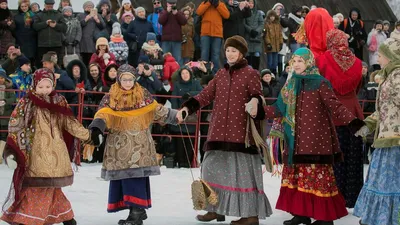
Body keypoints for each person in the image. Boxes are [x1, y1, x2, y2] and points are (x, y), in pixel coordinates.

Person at [263, 47, 365, 225]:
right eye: (294, 61)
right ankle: (301, 213)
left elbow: (336, 106)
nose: (296, 64)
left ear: (309, 62)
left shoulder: (320, 83)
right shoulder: (290, 84)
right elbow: (278, 109)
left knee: (316, 179)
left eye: (300, 61)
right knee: (297, 178)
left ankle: (324, 218)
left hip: (316, 142)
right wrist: (258, 111)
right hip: (294, 141)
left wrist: (354, 122)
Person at [178, 35, 272, 225]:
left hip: (241, 135)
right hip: (218, 132)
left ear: (242, 53)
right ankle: (215, 209)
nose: (230, 54)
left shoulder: (250, 73)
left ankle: (250, 216)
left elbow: (257, 95)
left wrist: (254, 102)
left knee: (243, 175)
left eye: (234, 51)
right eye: (228, 50)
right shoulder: (220, 74)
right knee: (211, 169)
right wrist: (188, 108)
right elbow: (205, 95)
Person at [1, 68, 95, 225]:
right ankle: (60, 217)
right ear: (34, 85)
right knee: (38, 187)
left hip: (56, 154)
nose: (44, 90)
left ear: (53, 85)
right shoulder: (26, 103)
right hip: (35, 155)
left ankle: (38, 218)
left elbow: (70, 123)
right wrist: (12, 151)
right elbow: (15, 125)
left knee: (50, 188)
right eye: (41, 87)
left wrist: (88, 136)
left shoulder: (59, 102)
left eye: (48, 86)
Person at [88, 64, 179, 225]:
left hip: (139, 145)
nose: (128, 83)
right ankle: (134, 211)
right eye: (125, 79)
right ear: (119, 79)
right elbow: (103, 114)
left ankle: (137, 211)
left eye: (131, 79)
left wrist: (175, 116)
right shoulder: (110, 97)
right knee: (124, 179)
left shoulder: (142, 94)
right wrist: (96, 129)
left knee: (135, 178)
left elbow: (156, 109)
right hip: (119, 144)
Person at [353, 36, 400, 225]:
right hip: (384, 138)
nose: (378, 59)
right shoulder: (389, 76)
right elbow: (382, 110)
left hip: (395, 141)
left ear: (392, 56)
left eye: (381, 55)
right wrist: (365, 126)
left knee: (389, 182)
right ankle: (377, 217)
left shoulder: (397, 77)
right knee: (380, 180)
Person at [316, 29, 365, 209]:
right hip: (354, 113)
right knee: (354, 158)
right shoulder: (358, 62)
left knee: (334, 158)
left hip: (331, 114)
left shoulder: (322, 60)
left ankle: (333, 198)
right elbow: (358, 88)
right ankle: (352, 197)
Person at [170, 66, 202, 168]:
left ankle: (189, 162)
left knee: (191, 141)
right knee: (180, 141)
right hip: (180, 114)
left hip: (191, 115)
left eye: (186, 73)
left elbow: (202, 93)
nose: (185, 75)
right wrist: (177, 112)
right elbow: (173, 99)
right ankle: (181, 162)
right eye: (183, 73)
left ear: (190, 74)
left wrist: (189, 94)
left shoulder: (196, 83)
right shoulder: (177, 84)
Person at [196, 0, 229, 74]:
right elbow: (198, 12)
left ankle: (215, 74)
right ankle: (204, 74)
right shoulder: (204, 3)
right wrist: (208, 3)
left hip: (217, 34)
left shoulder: (221, 4)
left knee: (215, 55)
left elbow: (226, 15)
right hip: (205, 33)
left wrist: (217, 5)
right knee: (204, 54)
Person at [32, 0, 67, 68]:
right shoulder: (39, 15)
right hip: (42, 45)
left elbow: (64, 27)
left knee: (55, 63)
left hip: (56, 44)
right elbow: (35, 26)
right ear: (44, 5)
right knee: (43, 63)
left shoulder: (58, 15)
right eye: (48, 6)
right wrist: (45, 23)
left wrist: (56, 26)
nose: (49, 8)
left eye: (51, 6)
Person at [158, 0, 187, 65]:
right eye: (170, 3)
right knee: (165, 57)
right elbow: (160, 21)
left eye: (173, 4)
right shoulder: (163, 12)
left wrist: (176, 14)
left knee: (177, 58)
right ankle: (165, 73)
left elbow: (184, 22)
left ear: (176, 4)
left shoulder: (179, 12)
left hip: (176, 40)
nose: (171, 5)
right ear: (167, 4)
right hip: (166, 40)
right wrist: (167, 12)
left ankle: (178, 73)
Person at [78, 1, 106, 66]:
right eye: (88, 6)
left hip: (94, 41)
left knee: (94, 61)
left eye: (91, 7)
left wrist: (97, 20)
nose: (89, 8)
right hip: (83, 42)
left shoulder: (98, 15)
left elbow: (103, 26)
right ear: (84, 8)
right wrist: (86, 19)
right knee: (84, 61)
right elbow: (78, 26)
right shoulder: (80, 15)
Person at [13, 1, 37, 67]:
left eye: (25, 6)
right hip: (20, 40)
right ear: (19, 7)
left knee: (31, 58)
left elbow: (36, 27)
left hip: (31, 40)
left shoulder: (33, 15)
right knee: (22, 58)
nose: (24, 8)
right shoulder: (16, 16)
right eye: (22, 6)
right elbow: (14, 28)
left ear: (28, 6)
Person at [243, 0, 264, 70]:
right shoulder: (244, 12)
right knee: (247, 56)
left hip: (256, 38)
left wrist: (257, 31)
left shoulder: (258, 13)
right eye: (249, 3)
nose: (251, 4)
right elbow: (243, 23)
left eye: (252, 3)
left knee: (256, 55)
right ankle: (247, 72)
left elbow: (261, 23)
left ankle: (256, 73)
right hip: (247, 37)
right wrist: (250, 30)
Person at [264, 9, 283, 75]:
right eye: (270, 16)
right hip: (270, 46)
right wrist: (268, 43)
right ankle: (269, 74)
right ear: (268, 17)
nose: (272, 17)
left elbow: (280, 34)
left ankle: (274, 74)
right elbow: (266, 35)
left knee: (275, 62)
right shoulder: (267, 24)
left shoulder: (277, 24)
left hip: (277, 45)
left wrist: (281, 43)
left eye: (273, 16)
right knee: (270, 62)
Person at [0, 68, 16, 141]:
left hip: (5, 115)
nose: (1, 80)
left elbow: (13, 98)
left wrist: (5, 101)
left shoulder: (9, 88)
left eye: (2, 78)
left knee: (4, 136)